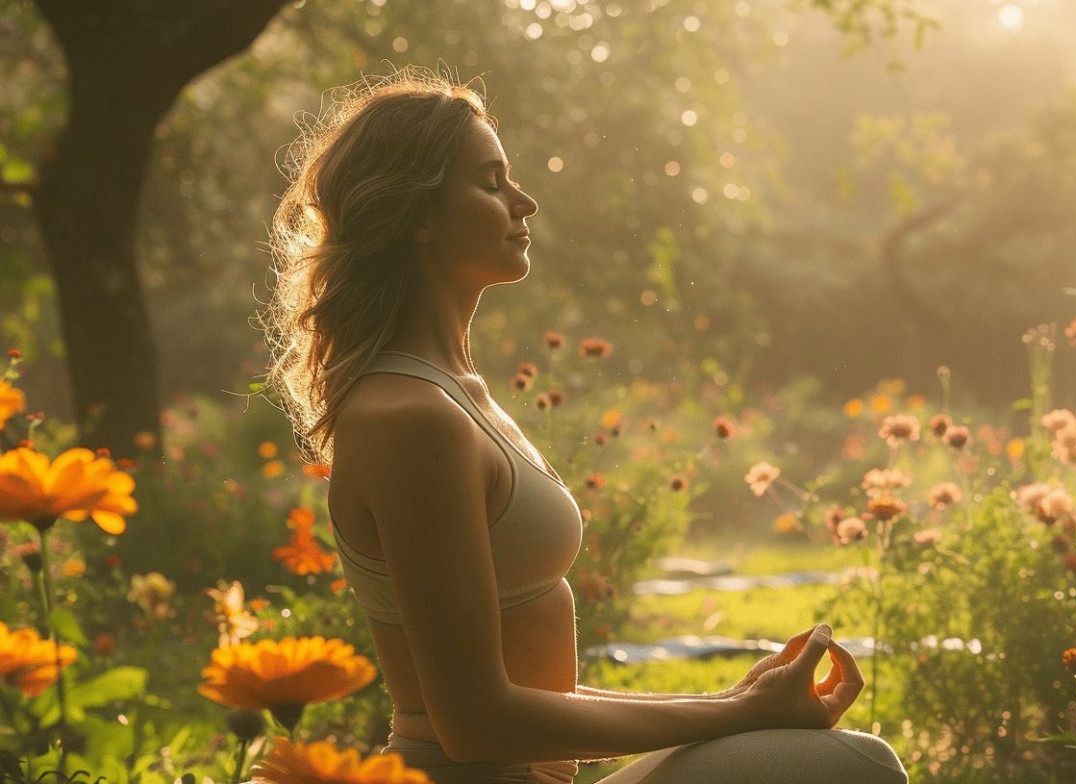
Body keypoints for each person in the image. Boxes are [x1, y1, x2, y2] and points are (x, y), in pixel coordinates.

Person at [261, 68, 908, 784]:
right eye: (490, 181)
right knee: (856, 767)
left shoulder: (457, 396)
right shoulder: (408, 418)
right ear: (416, 214)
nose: (524, 200)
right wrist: (737, 714)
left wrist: (732, 700)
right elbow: (475, 723)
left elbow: (533, 699)